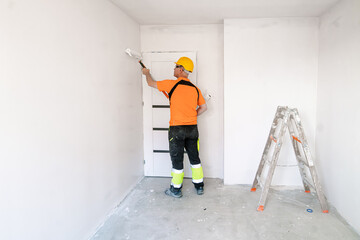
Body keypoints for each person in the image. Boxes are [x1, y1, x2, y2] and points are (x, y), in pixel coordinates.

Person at [142, 57, 207, 198]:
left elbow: (150, 83)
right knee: (194, 158)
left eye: (175, 67)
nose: (174, 69)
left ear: (181, 69)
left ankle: (176, 190)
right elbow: (204, 107)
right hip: (192, 129)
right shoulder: (195, 89)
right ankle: (199, 186)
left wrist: (146, 73)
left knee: (177, 159)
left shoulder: (171, 84)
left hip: (177, 129)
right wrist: (192, 116)